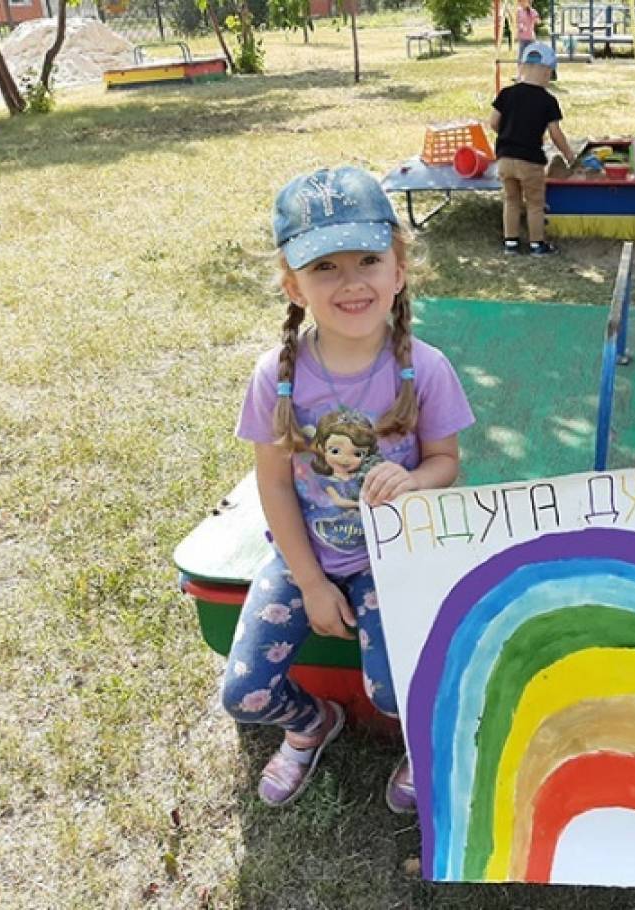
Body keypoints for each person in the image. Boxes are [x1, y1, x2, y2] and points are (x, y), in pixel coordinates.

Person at [227, 166, 475, 810]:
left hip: (390, 559)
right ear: (294, 286)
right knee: (245, 692)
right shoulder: (275, 377)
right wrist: (310, 582)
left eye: (368, 259)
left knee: (395, 691)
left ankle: (421, 741)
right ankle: (313, 725)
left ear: (399, 270)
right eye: (325, 267)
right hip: (305, 556)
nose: (352, 282)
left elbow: (446, 462)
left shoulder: (425, 369)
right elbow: (274, 486)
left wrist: (415, 479)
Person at [491, 41, 576, 255]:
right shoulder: (547, 101)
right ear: (547, 72)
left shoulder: (506, 93)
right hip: (530, 160)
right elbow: (555, 133)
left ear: (521, 67)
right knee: (535, 203)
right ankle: (537, 244)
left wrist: (508, 133)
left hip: (505, 158)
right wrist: (569, 154)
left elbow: (493, 122)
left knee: (511, 200)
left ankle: (511, 242)